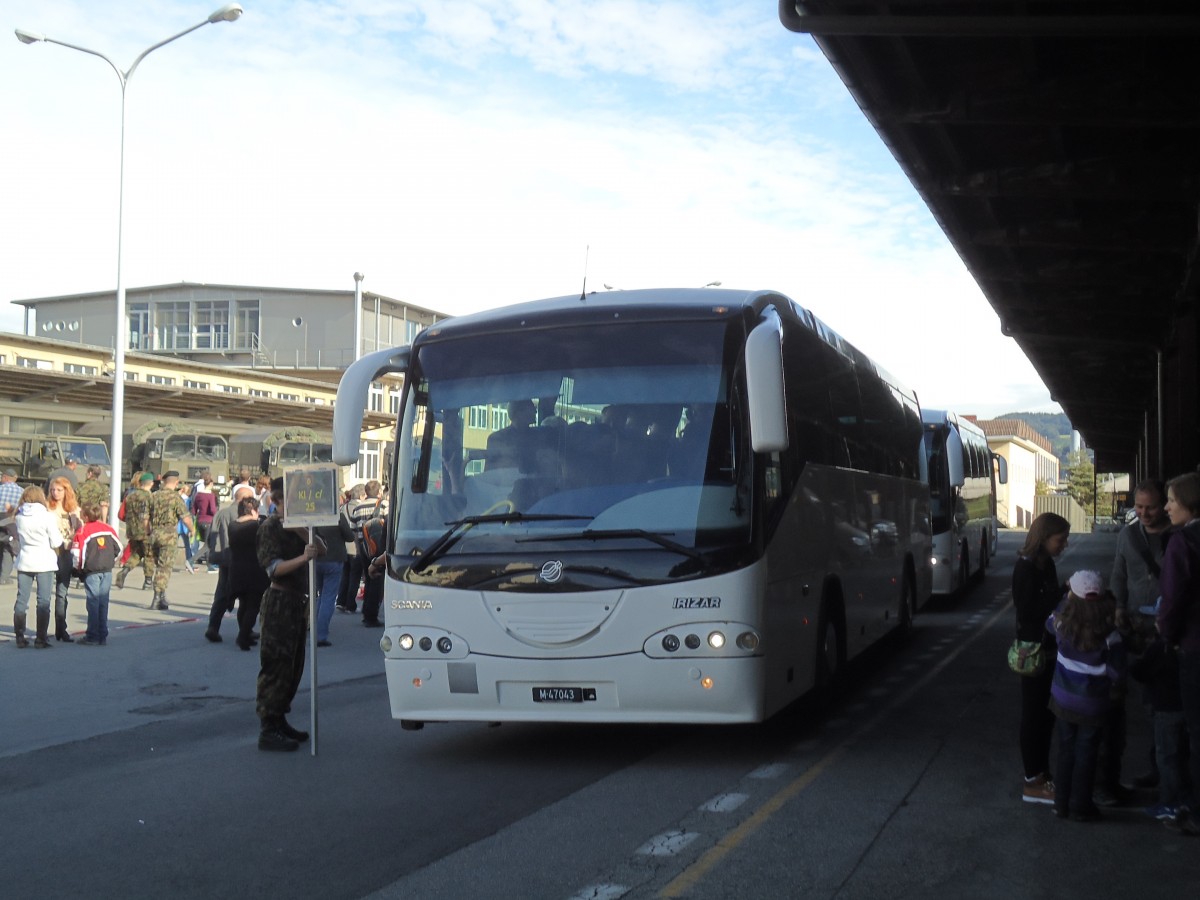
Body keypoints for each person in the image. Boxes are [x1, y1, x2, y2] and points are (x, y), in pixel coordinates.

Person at [1106, 478, 1172, 796]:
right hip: (1134, 627)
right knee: (1144, 702)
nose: (1144, 513)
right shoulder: (1128, 535)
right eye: (1139, 507)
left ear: (1165, 505)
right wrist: (1119, 606)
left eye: (1151, 507)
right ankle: (1158, 767)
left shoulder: (1180, 536)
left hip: (1167, 630)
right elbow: (1118, 573)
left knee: (1165, 704)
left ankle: (1165, 771)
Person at [1046, 570, 1126, 821]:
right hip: (1093, 704)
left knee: (1065, 750)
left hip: (1063, 699)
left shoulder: (1062, 625)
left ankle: (1060, 804)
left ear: (1073, 597)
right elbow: (1117, 671)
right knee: (1087, 752)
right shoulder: (1110, 635)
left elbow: (1048, 621)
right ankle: (1081, 806)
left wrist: (1066, 597)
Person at [255, 478, 324, 752]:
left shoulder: (301, 526)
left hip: (298, 601)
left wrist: (302, 532)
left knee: (294, 666)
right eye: (290, 500)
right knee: (277, 665)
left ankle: (280, 718)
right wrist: (303, 558)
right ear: (277, 501)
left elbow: (322, 549)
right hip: (279, 601)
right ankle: (268, 727)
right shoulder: (270, 527)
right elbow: (273, 569)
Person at [1013, 511, 1070, 805]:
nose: (1064, 545)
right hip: (1033, 651)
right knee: (1033, 715)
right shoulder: (1025, 568)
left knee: (1046, 715)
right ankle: (1032, 779)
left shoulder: (1045, 564)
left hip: (1049, 649)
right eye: (1060, 540)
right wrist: (1062, 593)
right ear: (1044, 538)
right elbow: (1028, 612)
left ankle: (1042, 774)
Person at [1157, 471, 1200, 815]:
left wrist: (1166, 636)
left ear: (1189, 503)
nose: (1166, 507)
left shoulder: (1182, 543)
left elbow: (1171, 601)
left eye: (1172, 500)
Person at [1130, 632, 1191, 827]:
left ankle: (1170, 803)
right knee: (1180, 755)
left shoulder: (1161, 647)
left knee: (1166, 756)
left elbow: (1139, 671)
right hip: (1184, 707)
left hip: (1166, 707)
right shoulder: (1188, 646)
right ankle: (1184, 798)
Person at [12, 486, 64, 649]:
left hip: (25, 560)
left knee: (22, 599)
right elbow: (56, 542)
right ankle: (41, 638)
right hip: (44, 561)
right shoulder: (47, 516)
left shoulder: (19, 516)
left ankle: (19, 637)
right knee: (43, 601)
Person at [204, 484, 256, 642]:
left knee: (222, 594)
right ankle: (245, 630)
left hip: (223, 559)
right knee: (246, 597)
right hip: (241, 560)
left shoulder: (221, 512)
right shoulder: (243, 515)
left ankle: (213, 627)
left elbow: (210, 536)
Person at [72, 502, 121, 646]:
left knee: (93, 602)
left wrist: (78, 569)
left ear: (85, 516)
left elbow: (77, 554)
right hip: (107, 570)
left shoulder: (82, 531)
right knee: (103, 602)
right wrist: (111, 561)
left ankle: (92, 635)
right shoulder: (108, 529)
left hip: (91, 571)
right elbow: (119, 548)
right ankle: (102, 634)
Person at [146, 470, 193, 611]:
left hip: (154, 534)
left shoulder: (153, 496)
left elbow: (145, 518)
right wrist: (192, 530)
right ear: (176, 482)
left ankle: (162, 596)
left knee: (159, 566)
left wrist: (148, 532)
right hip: (168, 535)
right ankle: (156, 598)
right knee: (164, 568)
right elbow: (185, 518)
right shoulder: (176, 497)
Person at [228, 495, 270, 651]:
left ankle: (244, 633)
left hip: (236, 569)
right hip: (254, 570)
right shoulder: (256, 526)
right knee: (253, 605)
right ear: (253, 510)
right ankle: (243, 636)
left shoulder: (233, 525)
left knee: (243, 604)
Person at [46, 477, 82, 641]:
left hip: (66, 552)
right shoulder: (47, 508)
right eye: (53, 490)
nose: (55, 493)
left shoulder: (73, 509)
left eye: (59, 490)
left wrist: (77, 522)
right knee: (45, 595)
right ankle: (43, 631)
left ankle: (61, 629)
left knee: (62, 593)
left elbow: (80, 531)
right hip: (50, 552)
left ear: (66, 491)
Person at [314, 513, 354, 647]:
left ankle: (315, 628)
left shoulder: (314, 515)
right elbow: (350, 537)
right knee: (328, 598)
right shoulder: (337, 516)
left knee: (321, 595)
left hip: (317, 559)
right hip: (334, 558)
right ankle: (321, 635)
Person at [114, 472, 155, 590]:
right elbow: (152, 515)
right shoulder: (150, 497)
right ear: (151, 484)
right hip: (145, 530)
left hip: (132, 531)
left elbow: (122, 514)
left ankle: (124, 571)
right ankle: (148, 581)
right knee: (149, 555)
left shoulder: (129, 496)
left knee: (137, 553)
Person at [191, 472, 219, 570]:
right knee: (208, 544)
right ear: (211, 484)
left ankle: (208, 565)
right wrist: (217, 515)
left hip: (199, 521)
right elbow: (212, 510)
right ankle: (191, 561)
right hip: (208, 521)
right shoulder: (211, 496)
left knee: (206, 544)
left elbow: (194, 510)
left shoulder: (198, 495)